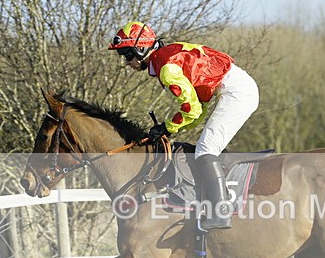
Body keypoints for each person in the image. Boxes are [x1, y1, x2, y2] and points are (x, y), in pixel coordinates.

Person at [109, 21, 259, 230]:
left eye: (127, 55)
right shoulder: (167, 57)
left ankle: (220, 213)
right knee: (205, 147)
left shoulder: (167, 69)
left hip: (237, 93)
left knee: (206, 149)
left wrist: (167, 127)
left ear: (141, 48)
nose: (127, 62)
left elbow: (192, 110)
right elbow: (198, 110)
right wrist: (170, 128)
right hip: (235, 88)